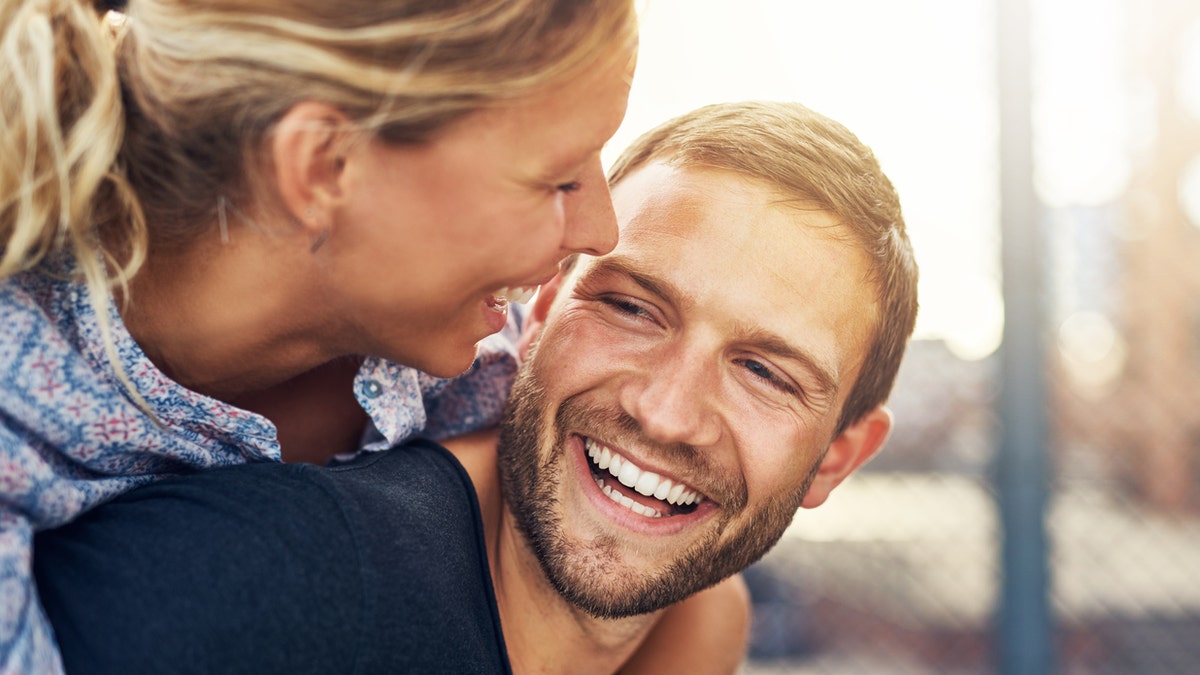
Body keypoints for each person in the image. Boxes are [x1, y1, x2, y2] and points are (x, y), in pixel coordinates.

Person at [33, 100, 920, 673]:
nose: (665, 410)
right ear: (537, 308)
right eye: (633, 309)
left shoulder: (694, 617)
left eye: (763, 372)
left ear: (836, 457)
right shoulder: (262, 587)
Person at [1, 0, 639, 671]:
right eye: (559, 178)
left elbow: (692, 595)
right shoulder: (20, 417)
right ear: (324, 164)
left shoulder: (477, 352)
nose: (601, 231)